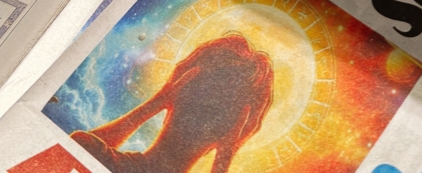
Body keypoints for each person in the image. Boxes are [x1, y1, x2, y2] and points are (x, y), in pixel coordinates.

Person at [71, 35, 274, 173]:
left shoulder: (87, 148)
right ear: (243, 131)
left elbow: (77, 148)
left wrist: (156, 102)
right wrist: (224, 157)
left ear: (172, 104)